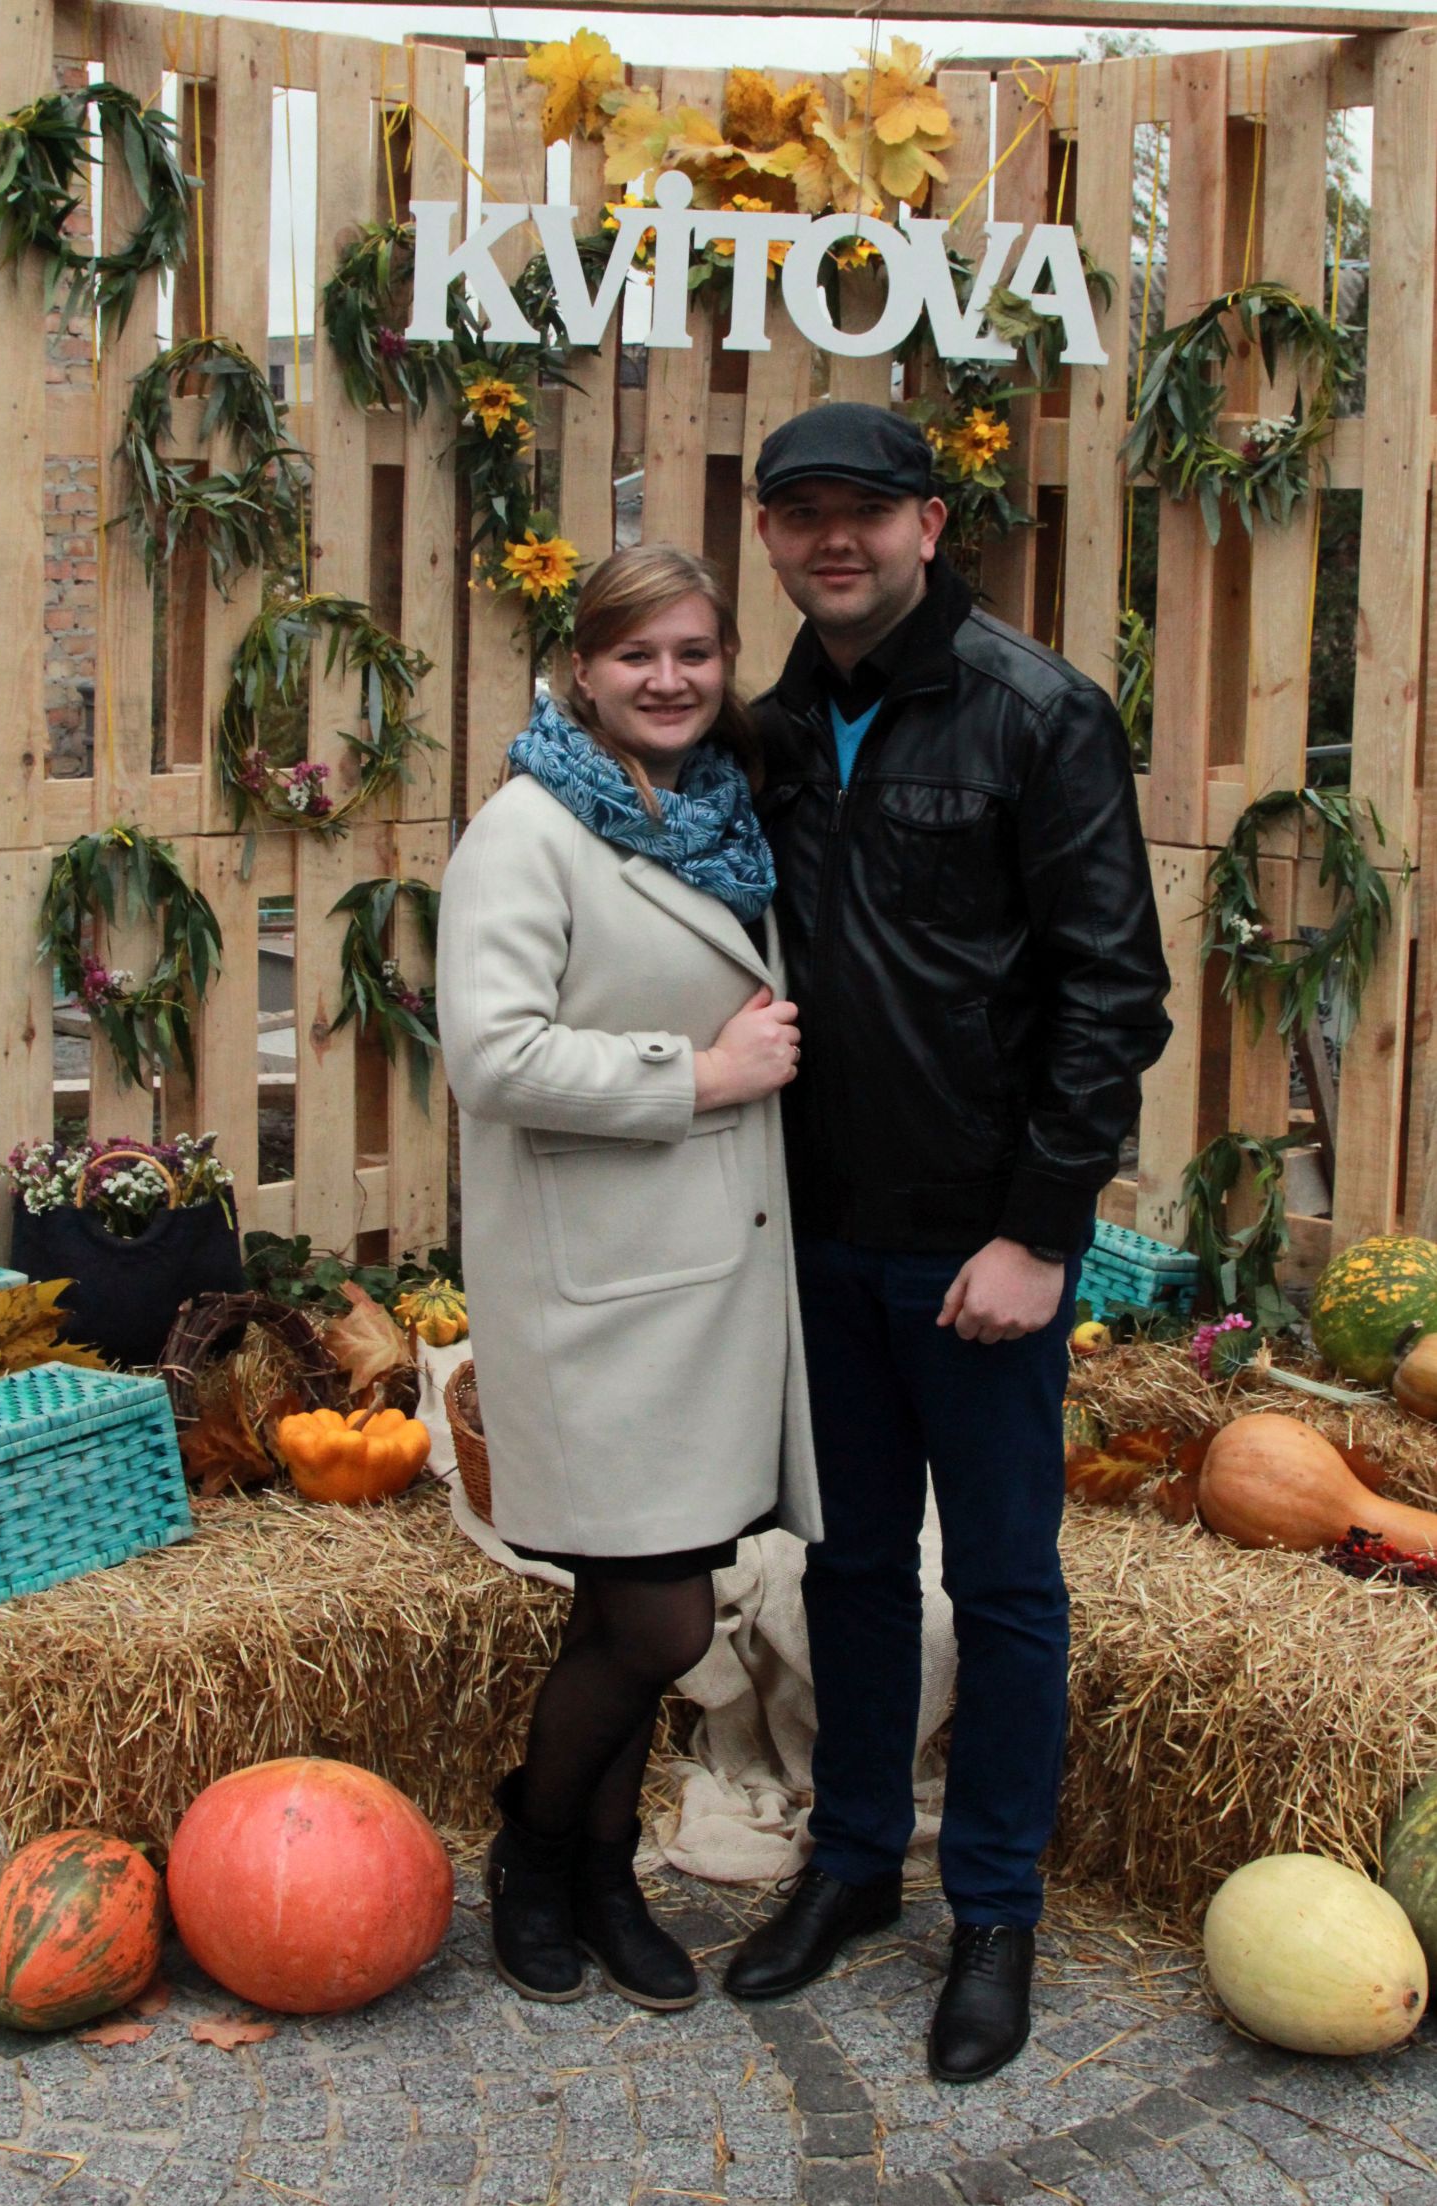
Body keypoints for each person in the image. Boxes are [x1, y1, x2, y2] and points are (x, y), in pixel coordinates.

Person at [723, 402, 1172, 2082]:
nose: (834, 538)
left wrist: (1040, 1230)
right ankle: (852, 1862)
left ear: (927, 523)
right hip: (813, 1235)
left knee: (1000, 1583)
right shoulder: (769, 729)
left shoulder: (1036, 713)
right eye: (803, 513)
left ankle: (992, 1909)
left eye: (868, 508)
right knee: (844, 1567)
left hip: (978, 1249)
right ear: (770, 535)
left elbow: (1113, 991)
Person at [436, 544, 823, 2014]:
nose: (668, 679)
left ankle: (600, 1880)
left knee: (621, 1613)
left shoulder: (717, 813)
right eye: (636, 655)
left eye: (694, 654)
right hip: (591, 1297)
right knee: (660, 1623)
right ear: (582, 672)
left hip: (697, 1286)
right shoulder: (527, 832)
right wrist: (704, 1073)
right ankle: (534, 1850)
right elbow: (494, 1058)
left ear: (725, 665)